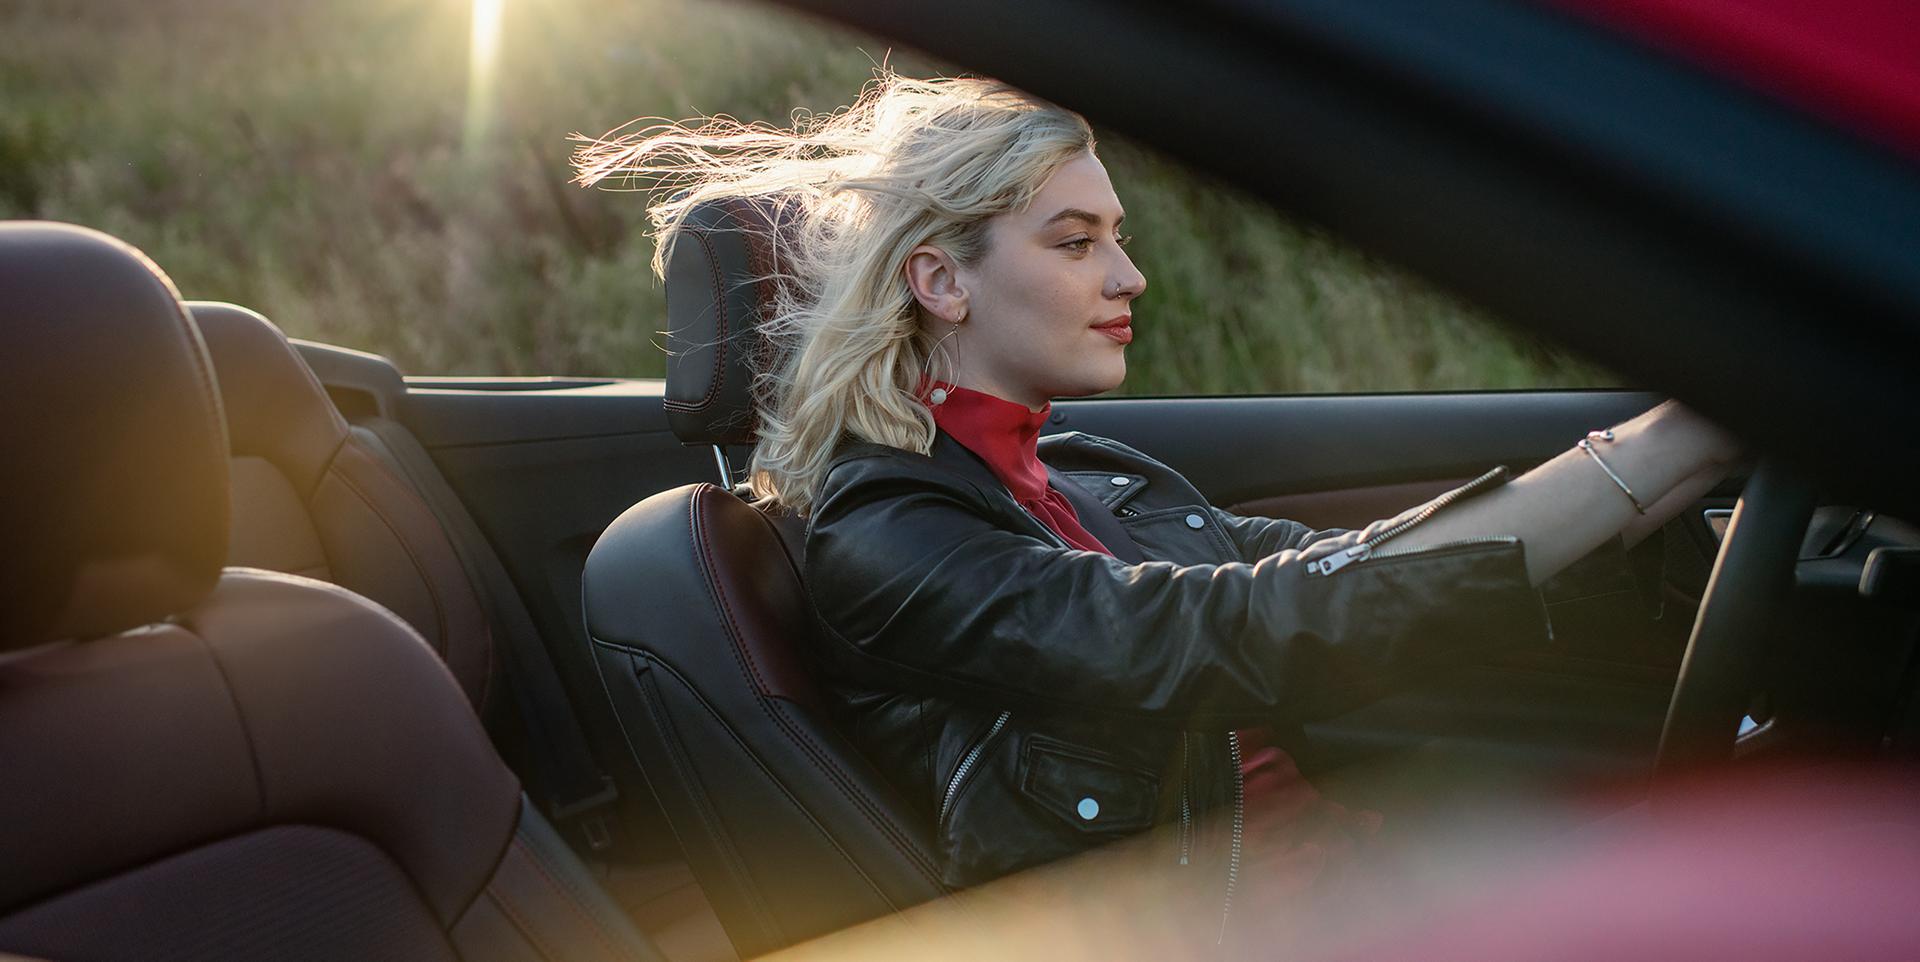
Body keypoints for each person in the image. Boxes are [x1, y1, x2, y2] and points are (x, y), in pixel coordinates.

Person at [575, 73, 1740, 947]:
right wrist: (1673, 439)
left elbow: (1333, 564)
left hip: (1354, 888)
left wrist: (1683, 497)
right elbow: (1239, 627)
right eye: (1076, 242)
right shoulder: (891, 536)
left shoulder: (1082, 473)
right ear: (939, 279)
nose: (1127, 278)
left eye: (1117, 239)